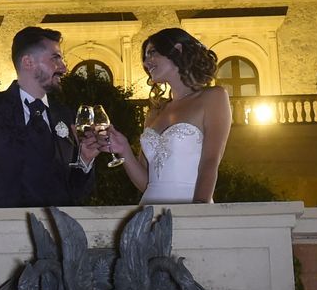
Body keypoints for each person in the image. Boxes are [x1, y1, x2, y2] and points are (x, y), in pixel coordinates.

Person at [0, 27, 101, 209]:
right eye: (55, 58)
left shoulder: (65, 115)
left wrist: (85, 161)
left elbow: (75, 194)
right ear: (28, 62)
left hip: (57, 230)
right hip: (6, 227)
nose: (64, 67)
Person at [99, 27, 232, 204]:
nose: (146, 63)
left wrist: (200, 210)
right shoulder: (154, 112)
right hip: (149, 210)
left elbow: (210, 162)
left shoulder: (213, 97)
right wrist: (124, 150)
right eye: (145, 57)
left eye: (152, 53)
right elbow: (147, 182)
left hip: (191, 206)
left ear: (177, 50)